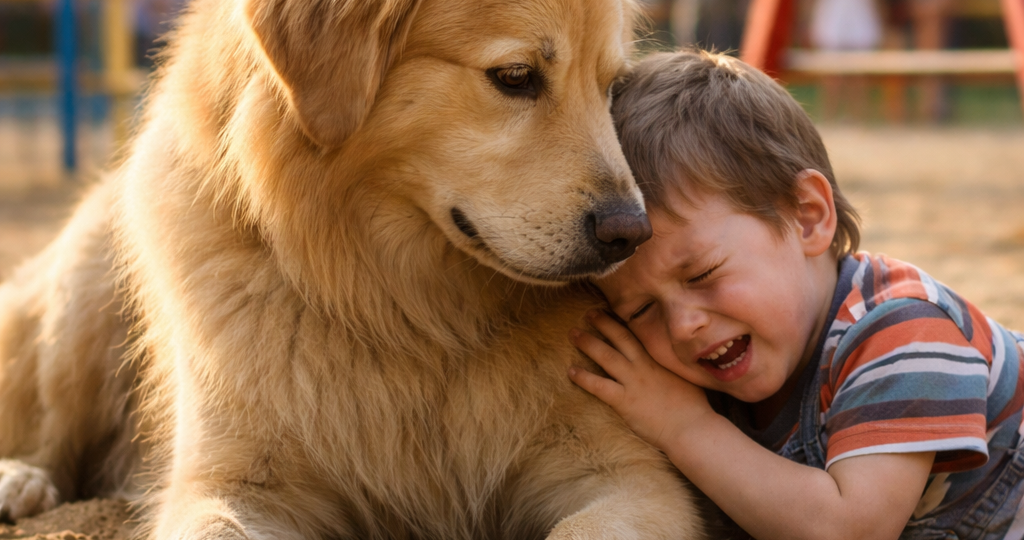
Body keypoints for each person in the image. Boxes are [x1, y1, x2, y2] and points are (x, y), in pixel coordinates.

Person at [567, 49, 1024, 540]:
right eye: (642, 310)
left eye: (702, 274)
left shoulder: (904, 331)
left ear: (807, 216)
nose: (683, 325)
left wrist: (682, 428)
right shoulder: (718, 379)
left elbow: (852, 530)